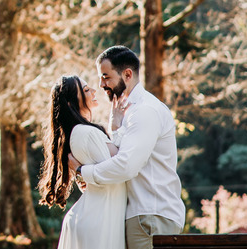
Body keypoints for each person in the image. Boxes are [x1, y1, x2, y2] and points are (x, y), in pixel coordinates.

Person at [70, 45, 185, 249]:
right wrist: (115, 129)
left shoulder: (145, 111)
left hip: (149, 216)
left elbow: (126, 166)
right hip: (144, 215)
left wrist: (82, 172)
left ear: (127, 74)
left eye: (106, 77)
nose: (101, 84)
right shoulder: (130, 112)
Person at [40, 75, 127, 249]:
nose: (94, 91)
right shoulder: (86, 133)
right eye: (86, 90)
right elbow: (120, 167)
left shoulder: (77, 133)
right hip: (99, 220)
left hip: (93, 216)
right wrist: (117, 128)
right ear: (72, 103)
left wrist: (81, 173)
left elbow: (96, 175)